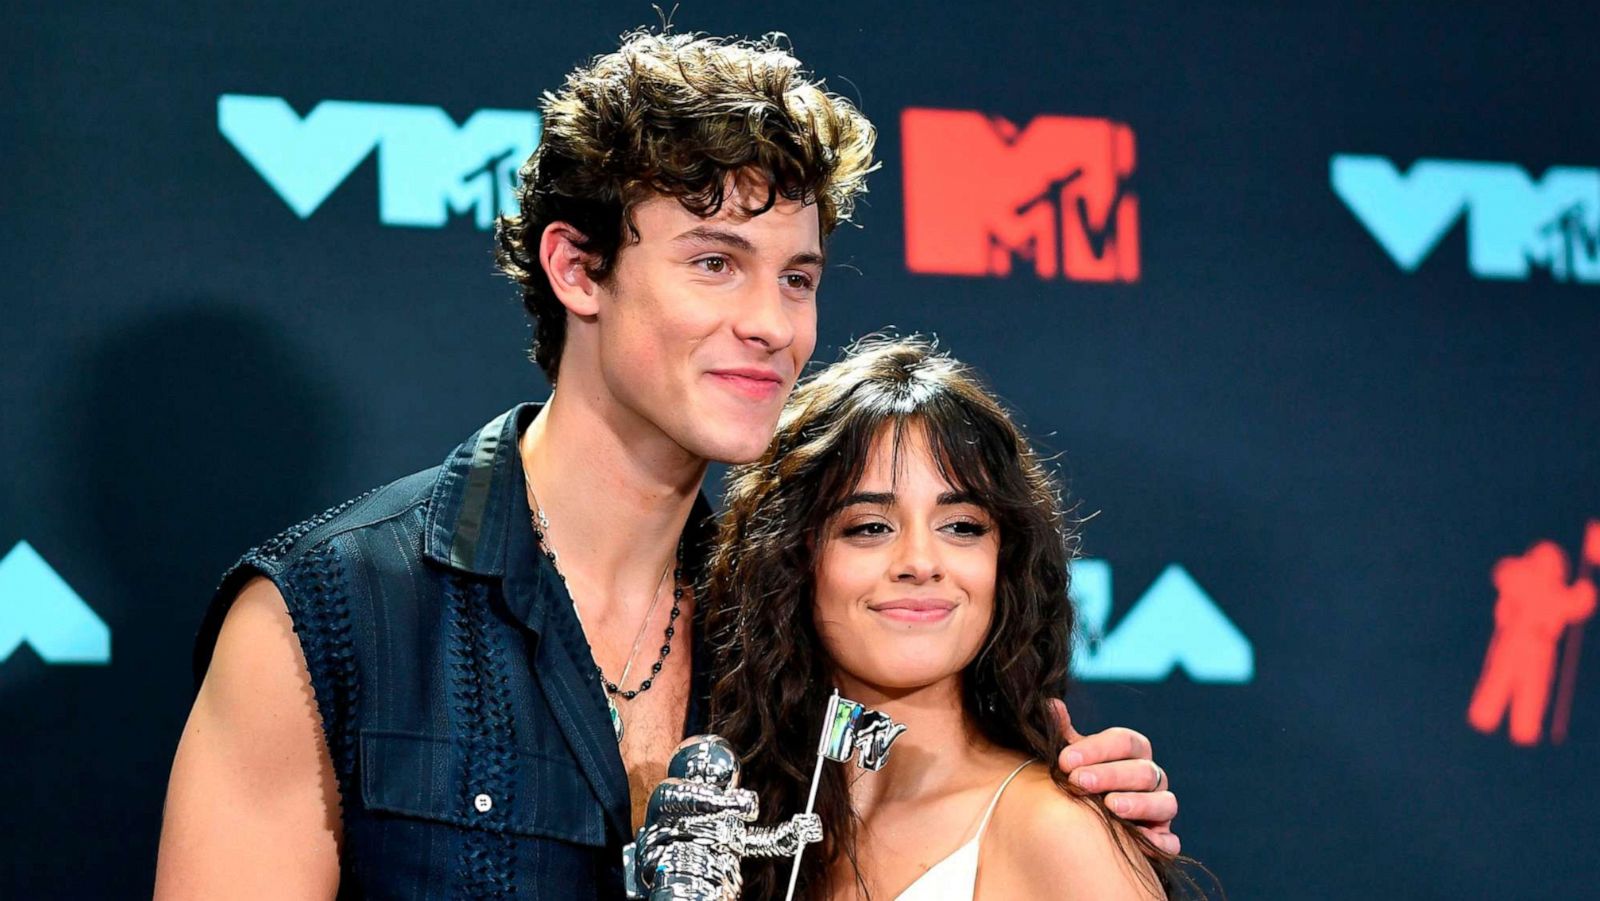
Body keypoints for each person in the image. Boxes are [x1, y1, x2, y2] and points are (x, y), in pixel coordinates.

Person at [154, 31, 1180, 899]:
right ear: (576, 268)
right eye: (713, 262)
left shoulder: (794, 632)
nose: (771, 325)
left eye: (798, 277)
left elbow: (960, 819)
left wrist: (1079, 809)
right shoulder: (332, 615)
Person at [709, 337, 1197, 899]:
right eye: (869, 527)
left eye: (962, 526)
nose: (920, 563)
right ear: (793, 559)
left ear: (1004, 563)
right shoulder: (740, 823)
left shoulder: (1056, 832)